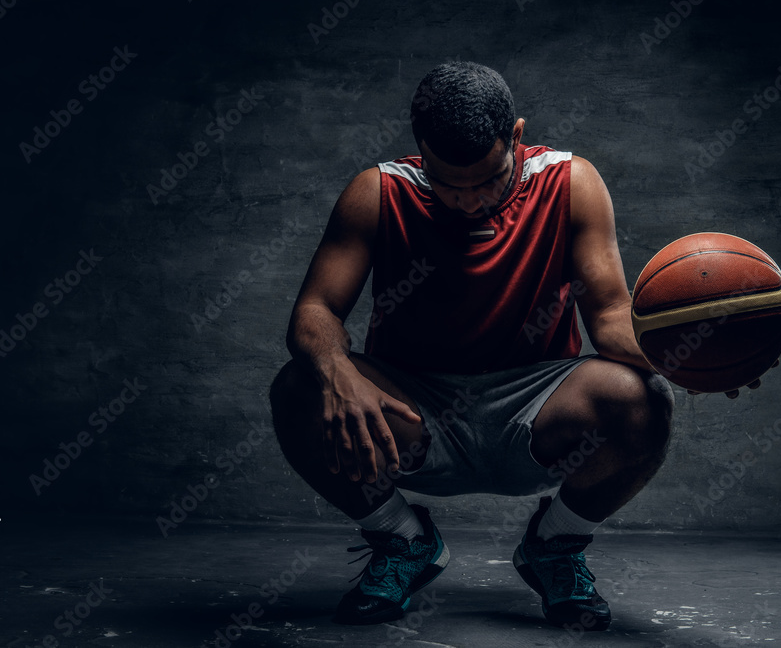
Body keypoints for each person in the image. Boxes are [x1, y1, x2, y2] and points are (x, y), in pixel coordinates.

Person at [269, 61, 752, 631]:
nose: (470, 202)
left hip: (538, 405)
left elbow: (609, 315)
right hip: (415, 408)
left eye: (489, 181)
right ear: (422, 148)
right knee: (298, 387)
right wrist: (334, 368)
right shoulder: (379, 192)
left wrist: (691, 360)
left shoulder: (572, 182)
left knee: (644, 397)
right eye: (452, 186)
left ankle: (554, 547)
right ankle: (403, 541)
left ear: (516, 135)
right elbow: (313, 311)